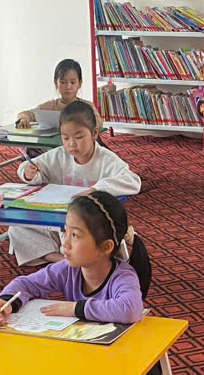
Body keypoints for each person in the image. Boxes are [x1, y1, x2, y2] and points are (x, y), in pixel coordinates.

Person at [0, 191, 147, 375]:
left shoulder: (122, 275)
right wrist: (5, 301)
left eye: (75, 235)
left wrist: (75, 308)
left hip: (119, 356)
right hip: (84, 350)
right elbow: (26, 284)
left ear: (105, 247)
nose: (64, 243)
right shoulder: (67, 269)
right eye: (65, 231)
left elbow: (130, 309)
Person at [8, 100, 140, 266]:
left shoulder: (106, 159)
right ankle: (59, 259)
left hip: (89, 226)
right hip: (58, 221)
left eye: (79, 137)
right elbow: (30, 168)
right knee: (16, 227)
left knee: (80, 238)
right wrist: (28, 173)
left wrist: (95, 189)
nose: (71, 143)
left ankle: (61, 257)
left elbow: (133, 181)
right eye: (65, 138)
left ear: (94, 133)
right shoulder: (59, 155)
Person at [15, 58, 99, 130]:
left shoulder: (87, 106)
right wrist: (24, 119)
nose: (68, 87)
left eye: (73, 82)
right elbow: (25, 113)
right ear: (56, 83)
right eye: (63, 82)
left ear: (80, 83)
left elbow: (98, 122)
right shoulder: (51, 106)